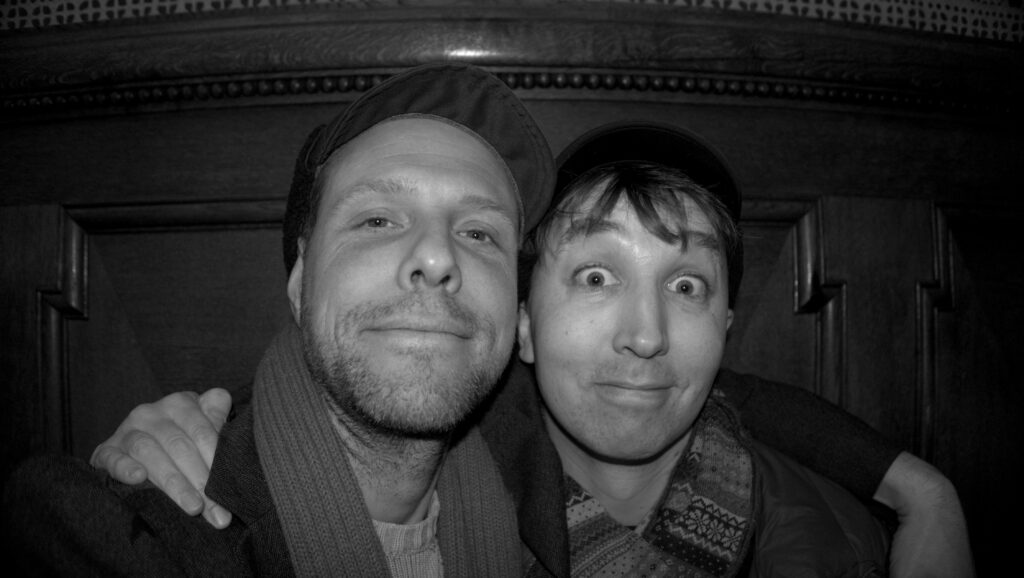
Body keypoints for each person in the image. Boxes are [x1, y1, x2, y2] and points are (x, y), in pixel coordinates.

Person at [86, 123, 974, 576]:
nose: (645, 335)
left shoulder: (842, 546)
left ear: (728, 325)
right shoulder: (464, 486)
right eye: (595, 276)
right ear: (520, 324)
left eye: (687, 286)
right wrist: (193, 430)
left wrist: (924, 496)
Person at [2, 62, 557, 577]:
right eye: (377, 220)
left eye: (479, 233)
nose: (436, 258)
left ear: (517, 311)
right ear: (300, 282)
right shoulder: (124, 534)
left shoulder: (544, 469)